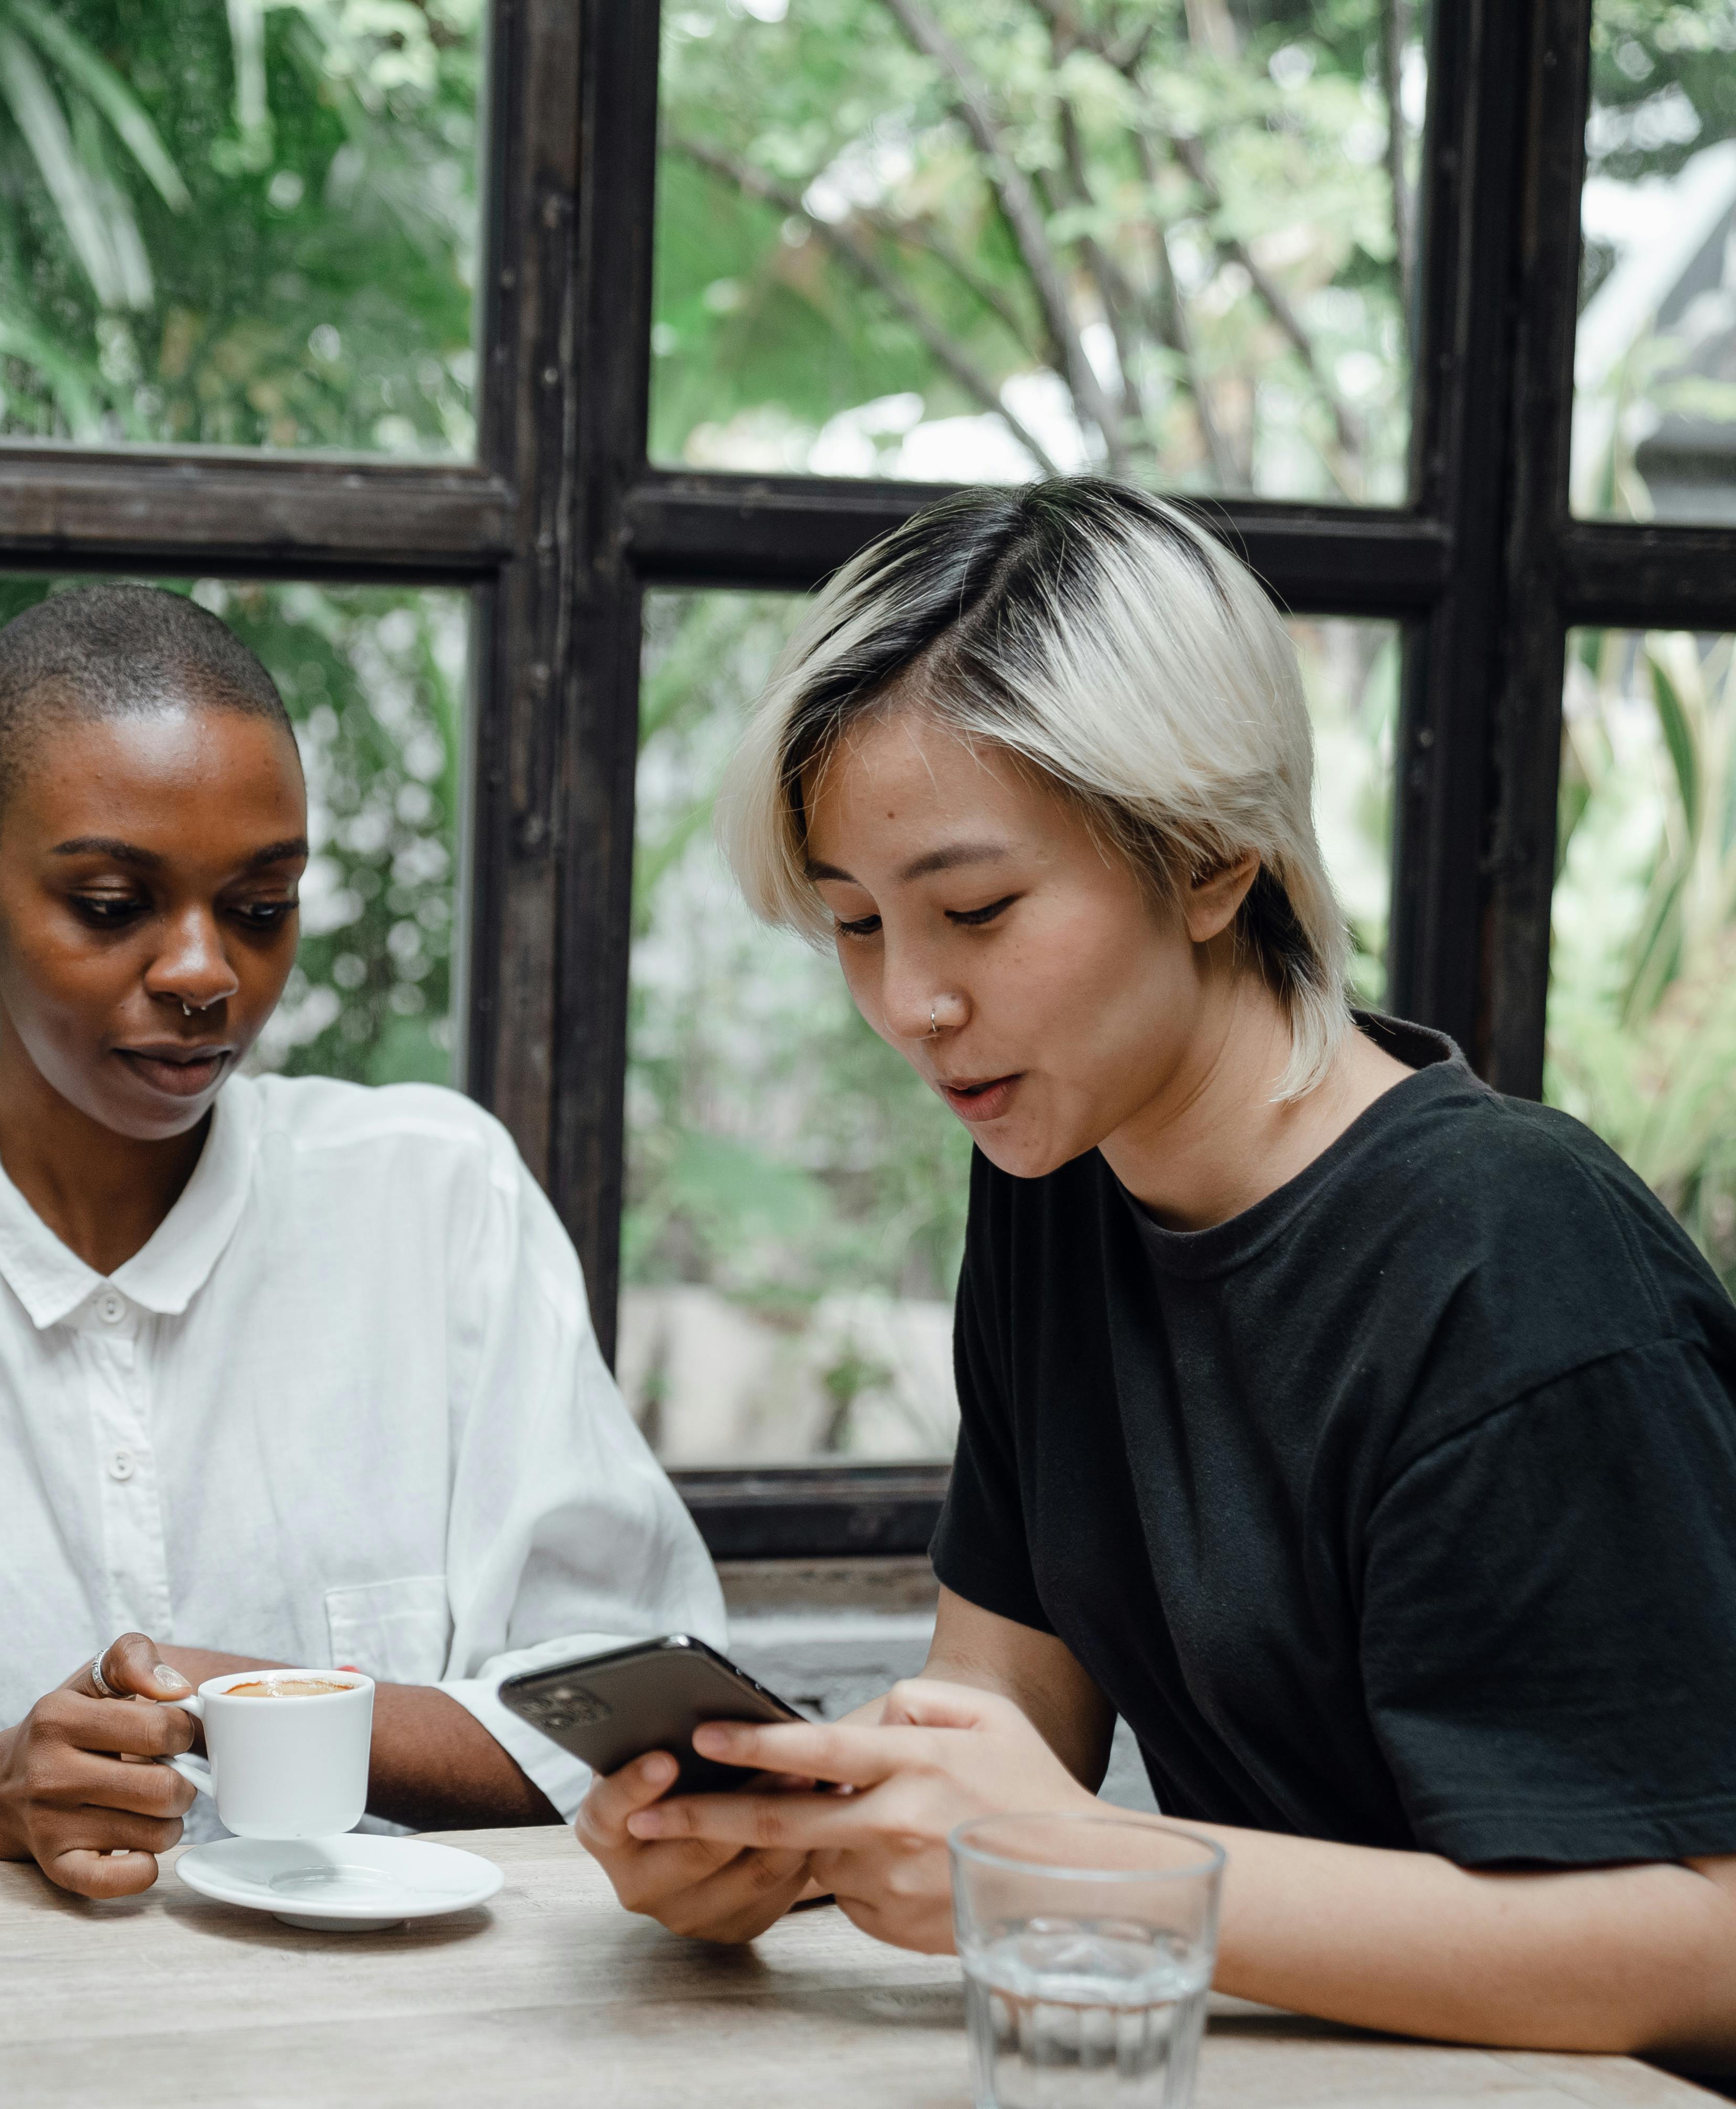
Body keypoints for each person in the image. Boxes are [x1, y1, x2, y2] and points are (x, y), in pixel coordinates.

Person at [574, 478, 1736, 2065]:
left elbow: (1707, 1943)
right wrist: (790, 1847)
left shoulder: (1514, 1258)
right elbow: (1005, 1719)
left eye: (974, 911)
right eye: (853, 927)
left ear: (1208, 862)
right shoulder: (1059, 1178)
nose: (912, 1003)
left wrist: (1073, 1867)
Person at [0, 584, 723, 1899]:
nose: (205, 971)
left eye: (261, 907)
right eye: (109, 901)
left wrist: (243, 1695)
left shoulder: (433, 1196)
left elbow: (647, 1715)